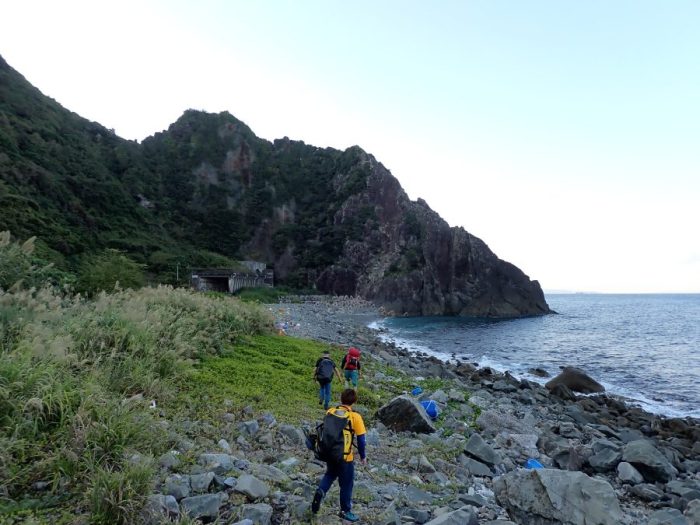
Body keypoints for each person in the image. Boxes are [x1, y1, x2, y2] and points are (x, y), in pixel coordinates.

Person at [312, 388, 367, 522]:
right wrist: (363, 456)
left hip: (330, 452)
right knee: (346, 484)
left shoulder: (331, 411)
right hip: (345, 457)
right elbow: (361, 440)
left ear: (341, 399)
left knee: (330, 474)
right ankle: (345, 511)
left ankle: (320, 491)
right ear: (354, 401)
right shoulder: (355, 417)